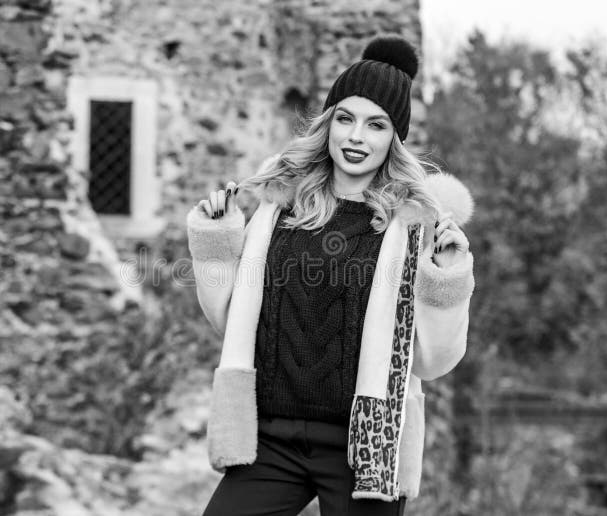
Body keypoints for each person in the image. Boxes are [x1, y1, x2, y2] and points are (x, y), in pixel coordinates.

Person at [187, 35, 475, 516]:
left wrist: (444, 276)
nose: (356, 137)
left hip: (364, 446)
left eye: (376, 125)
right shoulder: (280, 205)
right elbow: (232, 320)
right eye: (345, 118)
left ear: (394, 138)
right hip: (271, 440)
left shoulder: (412, 226)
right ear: (328, 124)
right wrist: (217, 239)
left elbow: (431, 361)